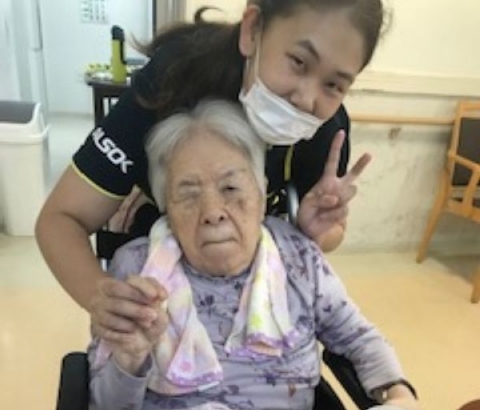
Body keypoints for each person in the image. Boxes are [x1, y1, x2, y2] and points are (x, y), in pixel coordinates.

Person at [88, 99, 439, 410]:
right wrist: (130, 359)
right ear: (166, 208)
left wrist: (400, 396)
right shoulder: (137, 271)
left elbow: (359, 339)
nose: (213, 211)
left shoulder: (298, 258)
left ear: (261, 192)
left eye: (231, 187)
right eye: (188, 193)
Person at [36, 0, 386, 343]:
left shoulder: (326, 130)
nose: (306, 100)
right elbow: (60, 219)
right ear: (252, 30)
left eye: (334, 85)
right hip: (159, 300)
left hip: (257, 304)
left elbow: (331, 233)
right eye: (298, 62)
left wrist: (310, 231)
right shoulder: (173, 79)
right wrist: (101, 296)